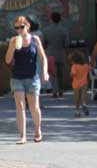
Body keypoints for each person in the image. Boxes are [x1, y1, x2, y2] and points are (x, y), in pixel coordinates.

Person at [4, 15, 49, 144]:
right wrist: (12, 47)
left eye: (21, 27)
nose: (19, 30)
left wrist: (45, 72)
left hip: (32, 77)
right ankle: (22, 136)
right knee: (20, 106)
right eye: (16, 27)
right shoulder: (13, 40)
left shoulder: (35, 40)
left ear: (28, 26)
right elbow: (7, 60)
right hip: (17, 77)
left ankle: (37, 130)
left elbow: (43, 57)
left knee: (34, 107)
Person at [45, 12, 69, 97]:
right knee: (60, 74)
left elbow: (44, 43)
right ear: (60, 19)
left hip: (50, 54)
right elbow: (66, 44)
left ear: (51, 19)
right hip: (61, 54)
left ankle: (54, 91)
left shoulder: (47, 30)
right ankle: (61, 90)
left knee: (52, 73)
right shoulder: (64, 30)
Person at [69, 51, 90, 117]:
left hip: (76, 84)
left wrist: (70, 74)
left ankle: (77, 112)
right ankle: (84, 104)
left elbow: (73, 74)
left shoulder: (74, 66)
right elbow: (91, 69)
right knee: (84, 95)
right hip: (84, 83)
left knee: (77, 98)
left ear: (73, 60)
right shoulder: (86, 66)